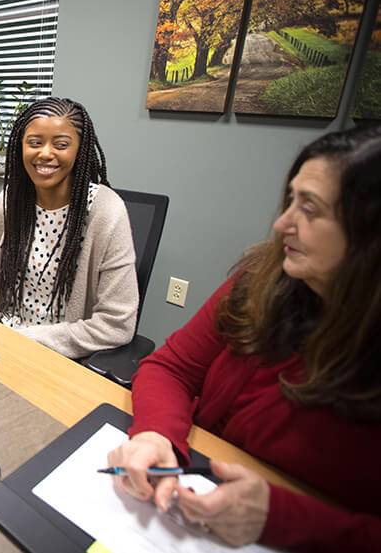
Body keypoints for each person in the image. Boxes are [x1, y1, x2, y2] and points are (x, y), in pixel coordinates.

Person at [107, 126, 381, 552]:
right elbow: (172, 367)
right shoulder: (260, 279)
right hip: (191, 496)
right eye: (290, 200)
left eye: (309, 209)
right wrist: (156, 434)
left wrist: (281, 519)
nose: (281, 223)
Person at [0, 97, 137, 358]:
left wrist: (29, 339)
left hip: (58, 354)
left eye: (61, 144)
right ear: (20, 147)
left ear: (80, 150)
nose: (45, 153)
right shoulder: (11, 201)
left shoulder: (107, 212)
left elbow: (116, 323)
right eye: (34, 142)